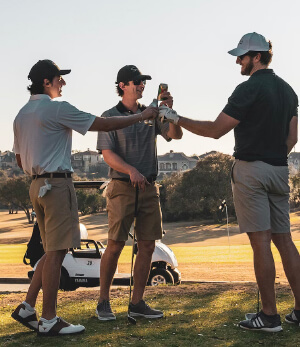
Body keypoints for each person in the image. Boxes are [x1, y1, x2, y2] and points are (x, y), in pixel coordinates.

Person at [160, 32, 300, 333]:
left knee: (261, 243)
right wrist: (273, 158)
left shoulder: (247, 89)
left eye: (243, 56)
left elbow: (214, 131)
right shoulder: (289, 91)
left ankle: (269, 316)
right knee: (285, 241)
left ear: (257, 57)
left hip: (252, 171)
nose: (238, 60)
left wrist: (176, 117)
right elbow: (293, 138)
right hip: (279, 170)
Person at [12, 59, 157, 336]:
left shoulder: (21, 114)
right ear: (46, 81)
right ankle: (49, 319)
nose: (62, 83)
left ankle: (28, 307)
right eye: (59, 78)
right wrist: (140, 116)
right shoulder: (57, 108)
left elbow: (19, 160)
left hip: (35, 185)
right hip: (56, 185)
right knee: (57, 252)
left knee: (50, 250)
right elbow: (102, 124)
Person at [96, 65, 182, 320]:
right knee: (115, 245)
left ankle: (137, 303)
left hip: (149, 188)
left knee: (147, 245)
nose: (141, 85)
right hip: (122, 187)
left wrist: (170, 113)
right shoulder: (109, 116)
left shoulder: (153, 113)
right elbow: (108, 155)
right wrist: (131, 170)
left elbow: (175, 136)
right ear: (122, 85)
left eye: (143, 82)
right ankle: (103, 302)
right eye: (136, 81)